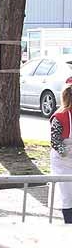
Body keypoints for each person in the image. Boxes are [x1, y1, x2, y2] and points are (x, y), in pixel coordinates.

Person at [49, 85, 72, 223]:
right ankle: (69, 224)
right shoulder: (60, 117)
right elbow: (55, 141)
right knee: (67, 195)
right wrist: (67, 153)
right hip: (63, 162)